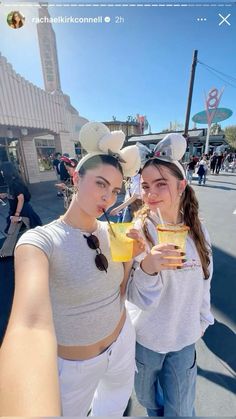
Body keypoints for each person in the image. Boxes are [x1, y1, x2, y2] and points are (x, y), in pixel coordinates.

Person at [0, 122, 161, 417]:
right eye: (101, 183)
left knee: (113, 406)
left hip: (121, 342)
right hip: (73, 368)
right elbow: (30, 324)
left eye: (115, 190)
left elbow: (119, 291)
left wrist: (131, 261)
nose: (108, 197)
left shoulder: (115, 232)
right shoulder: (40, 240)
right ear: (76, 177)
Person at [126, 133, 214, 417]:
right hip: (146, 340)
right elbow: (130, 295)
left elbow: (205, 282)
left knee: (180, 411)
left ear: (181, 185)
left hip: (184, 339)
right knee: (151, 404)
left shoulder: (198, 230)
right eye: (146, 185)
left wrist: (202, 320)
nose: (151, 193)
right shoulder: (137, 231)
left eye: (161, 184)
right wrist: (147, 267)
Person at [0, 162, 42, 233]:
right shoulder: (13, 181)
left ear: (7, 171)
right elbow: (15, 195)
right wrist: (6, 195)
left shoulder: (15, 183)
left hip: (23, 211)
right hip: (18, 210)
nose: (1, 173)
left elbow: (21, 199)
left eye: (2, 171)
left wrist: (17, 215)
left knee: (27, 231)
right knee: (22, 231)